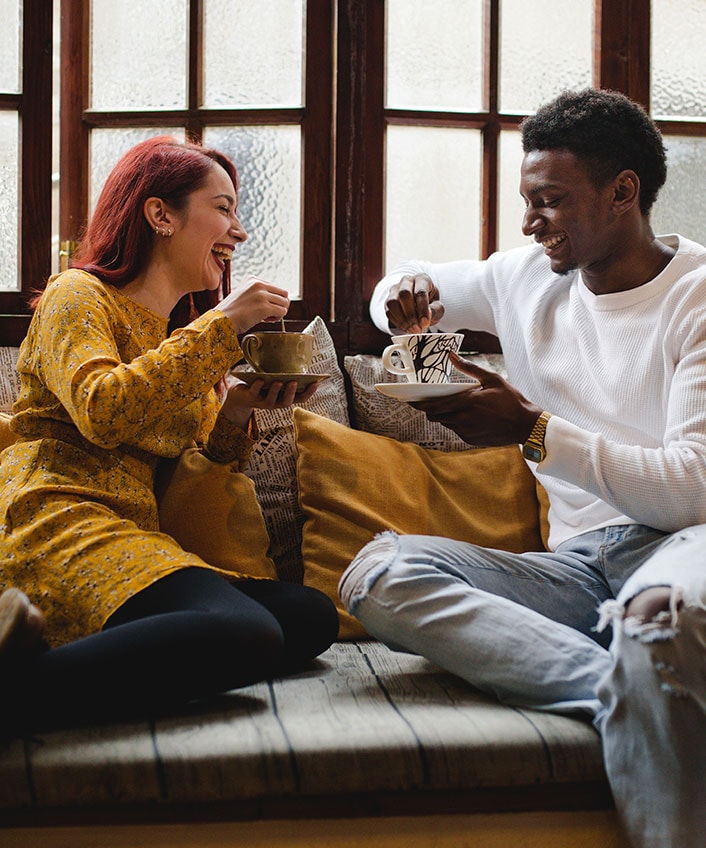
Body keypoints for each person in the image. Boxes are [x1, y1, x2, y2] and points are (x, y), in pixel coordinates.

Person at [338, 88, 706, 848]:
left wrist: (534, 431)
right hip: (573, 569)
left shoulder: (696, 300)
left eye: (549, 201)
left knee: (659, 625)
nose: (530, 222)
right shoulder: (524, 278)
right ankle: (626, 692)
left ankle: (645, 663)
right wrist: (401, 298)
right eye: (526, 200)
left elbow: (690, 489)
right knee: (377, 574)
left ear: (622, 193)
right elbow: (392, 295)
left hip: (681, 546)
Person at [0, 136, 338, 732]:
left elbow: (196, 464)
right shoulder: (76, 296)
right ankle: (20, 694)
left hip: (133, 531)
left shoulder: (179, 343)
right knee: (248, 632)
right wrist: (224, 322)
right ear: (160, 214)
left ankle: (76, 655)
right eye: (224, 208)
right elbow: (103, 410)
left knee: (310, 617)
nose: (238, 231)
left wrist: (236, 411)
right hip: (55, 518)